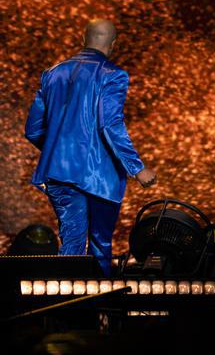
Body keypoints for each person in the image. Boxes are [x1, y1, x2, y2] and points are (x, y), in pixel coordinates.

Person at [24, 19, 156, 275]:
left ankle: (68, 298)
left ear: (83, 39)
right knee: (100, 245)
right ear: (113, 44)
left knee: (72, 245)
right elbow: (110, 124)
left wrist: (59, 152)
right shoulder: (113, 74)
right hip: (100, 176)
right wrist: (137, 168)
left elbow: (33, 129)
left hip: (59, 174)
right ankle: (98, 300)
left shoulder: (52, 73)